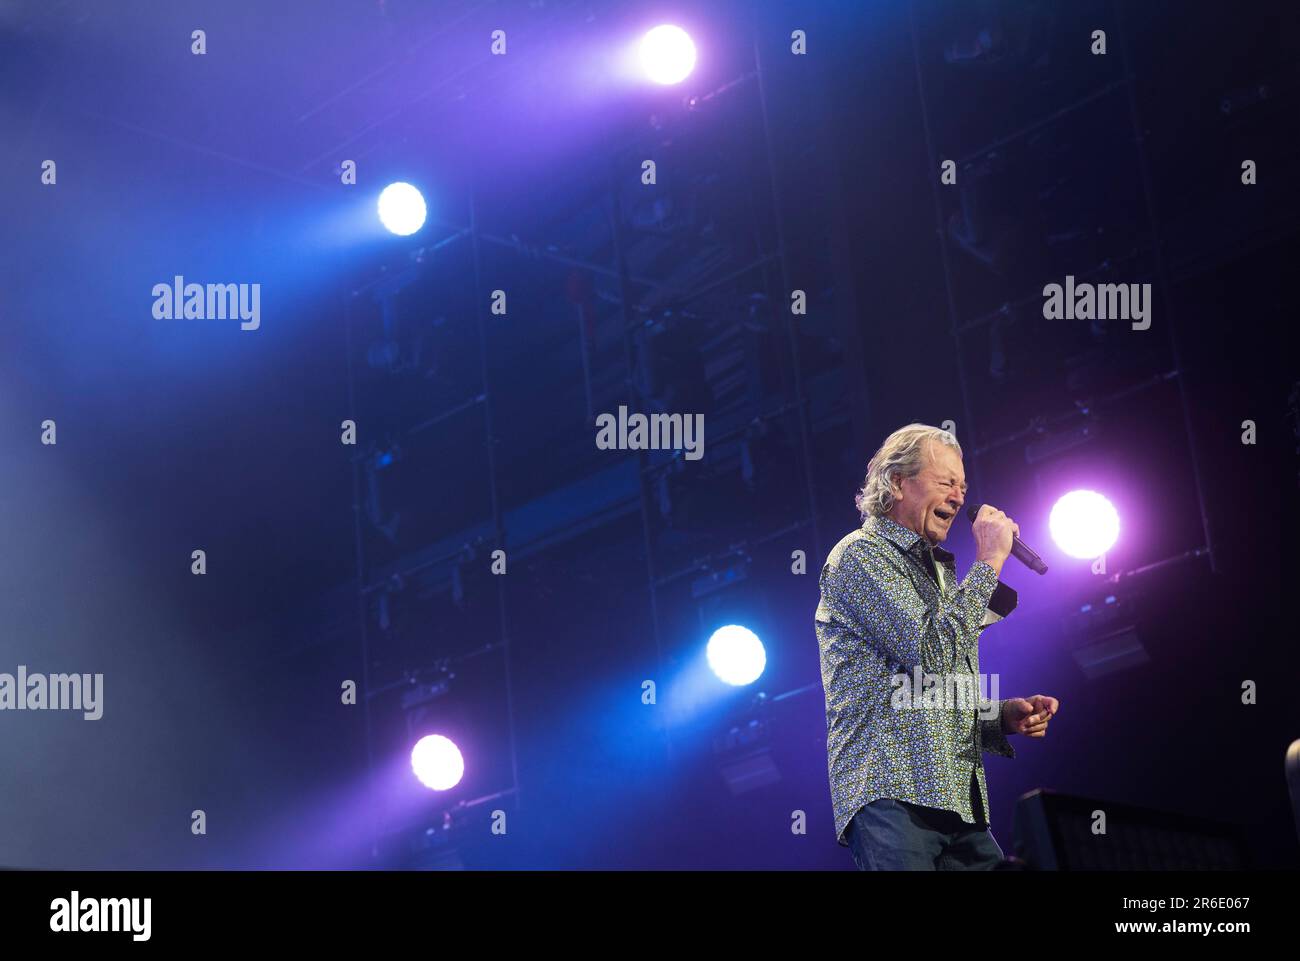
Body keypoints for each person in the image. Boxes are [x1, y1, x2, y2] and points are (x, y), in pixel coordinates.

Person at [816, 423, 1060, 870]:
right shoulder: (860, 555)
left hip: (958, 799)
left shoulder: (940, 573)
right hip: (892, 793)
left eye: (963, 486)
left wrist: (1001, 716)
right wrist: (989, 561)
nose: (959, 496)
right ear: (896, 482)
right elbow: (930, 654)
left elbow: (935, 690)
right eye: (946, 482)